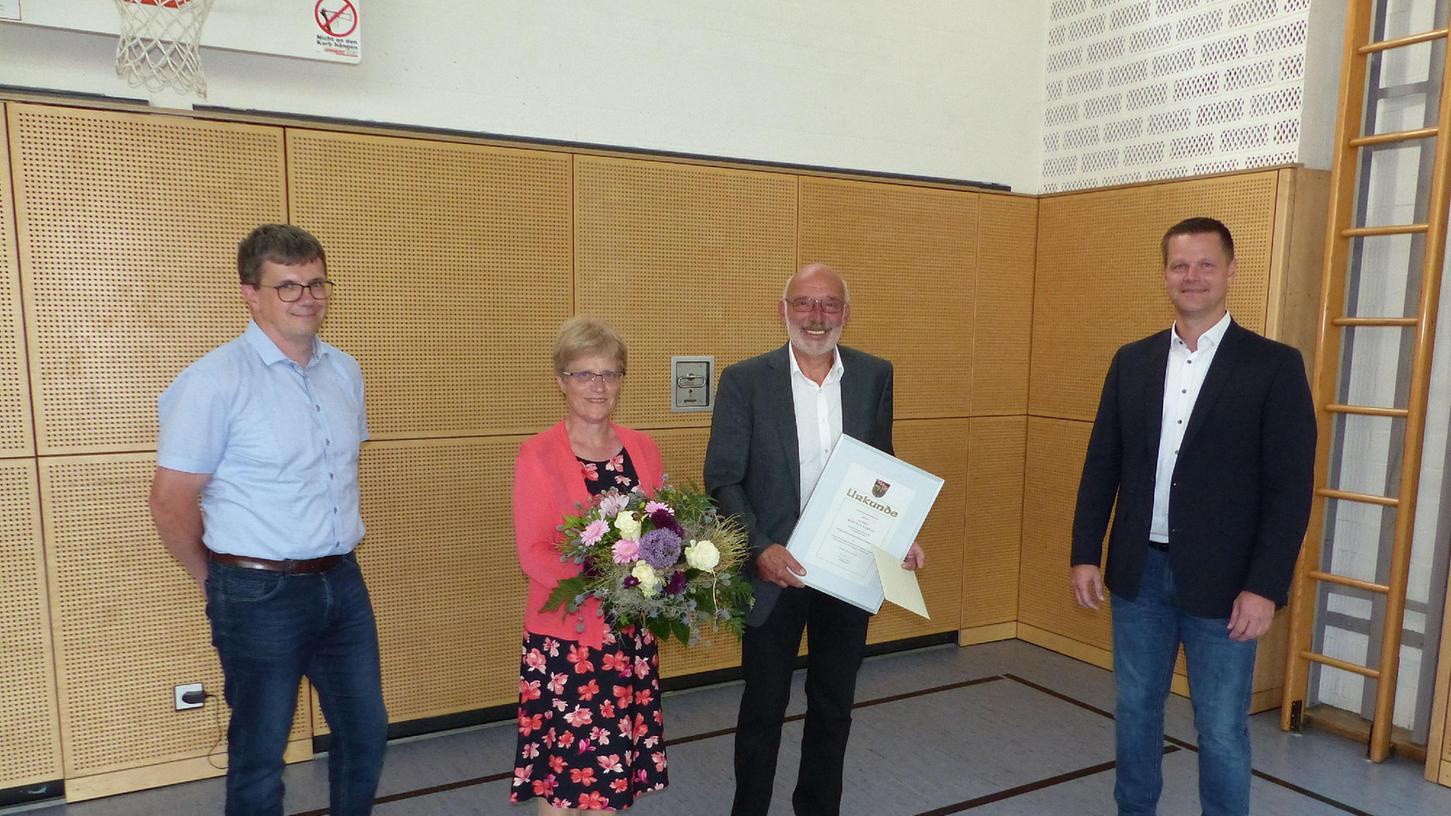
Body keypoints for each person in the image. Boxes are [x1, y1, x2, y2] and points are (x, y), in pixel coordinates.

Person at [1070, 217, 1316, 816]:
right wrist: (1084, 551)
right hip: (1139, 578)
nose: (1193, 276)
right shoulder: (1132, 361)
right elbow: (1102, 463)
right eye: (1180, 265)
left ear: (1231, 272)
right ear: (1164, 275)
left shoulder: (1273, 365)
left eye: (1206, 264)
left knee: (1223, 728)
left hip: (1227, 586)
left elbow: (1290, 490)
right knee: (1135, 712)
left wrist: (1265, 588)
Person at [148, 224, 388, 816]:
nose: (307, 296)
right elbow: (170, 499)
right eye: (288, 287)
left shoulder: (345, 372)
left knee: (365, 733)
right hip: (257, 592)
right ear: (250, 295)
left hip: (342, 582)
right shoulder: (213, 381)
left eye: (315, 282)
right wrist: (216, 581)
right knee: (260, 756)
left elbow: (332, 475)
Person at [704, 263, 926, 816]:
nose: (817, 316)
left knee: (834, 706)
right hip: (773, 572)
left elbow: (883, 469)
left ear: (846, 315)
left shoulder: (875, 375)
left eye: (829, 305)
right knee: (763, 708)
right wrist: (759, 549)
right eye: (804, 303)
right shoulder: (745, 380)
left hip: (847, 573)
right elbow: (723, 478)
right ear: (784, 311)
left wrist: (900, 533)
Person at [510, 317, 669, 814]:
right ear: (561, 380)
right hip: (568, 644)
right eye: (584, 374)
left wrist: (665, 568)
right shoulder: (537, 454)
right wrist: (609, 584)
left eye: (610, 373)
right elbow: (533, 552)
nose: (598, 386)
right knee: (568, 780)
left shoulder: (642, 447)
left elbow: (663, 531)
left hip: (630, 637)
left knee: (612, 778)